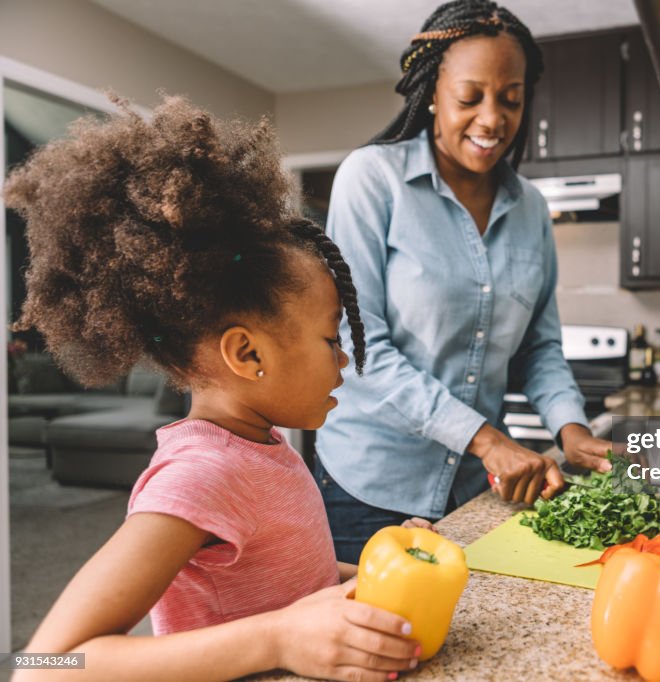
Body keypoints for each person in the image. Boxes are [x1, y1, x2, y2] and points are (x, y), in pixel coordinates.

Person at [5, 96, 427, 682]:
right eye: (332, 339)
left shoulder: (265, 446)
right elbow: (43, 664)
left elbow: (282, 582)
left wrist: (380, 573)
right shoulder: (200, 476)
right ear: (247, 353)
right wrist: (276, 639)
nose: (345, 359)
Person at [317, 0, 614, 564]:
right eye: (469, 96)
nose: (492, 119)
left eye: (511, 99)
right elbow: (361, 345)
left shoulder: (529, 209)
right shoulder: (372, 180)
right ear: (432, 92)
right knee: (380, 646)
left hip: (474, 492)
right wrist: (488, 440)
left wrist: (571, 429)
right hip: (370, 488)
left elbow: (540, 348)